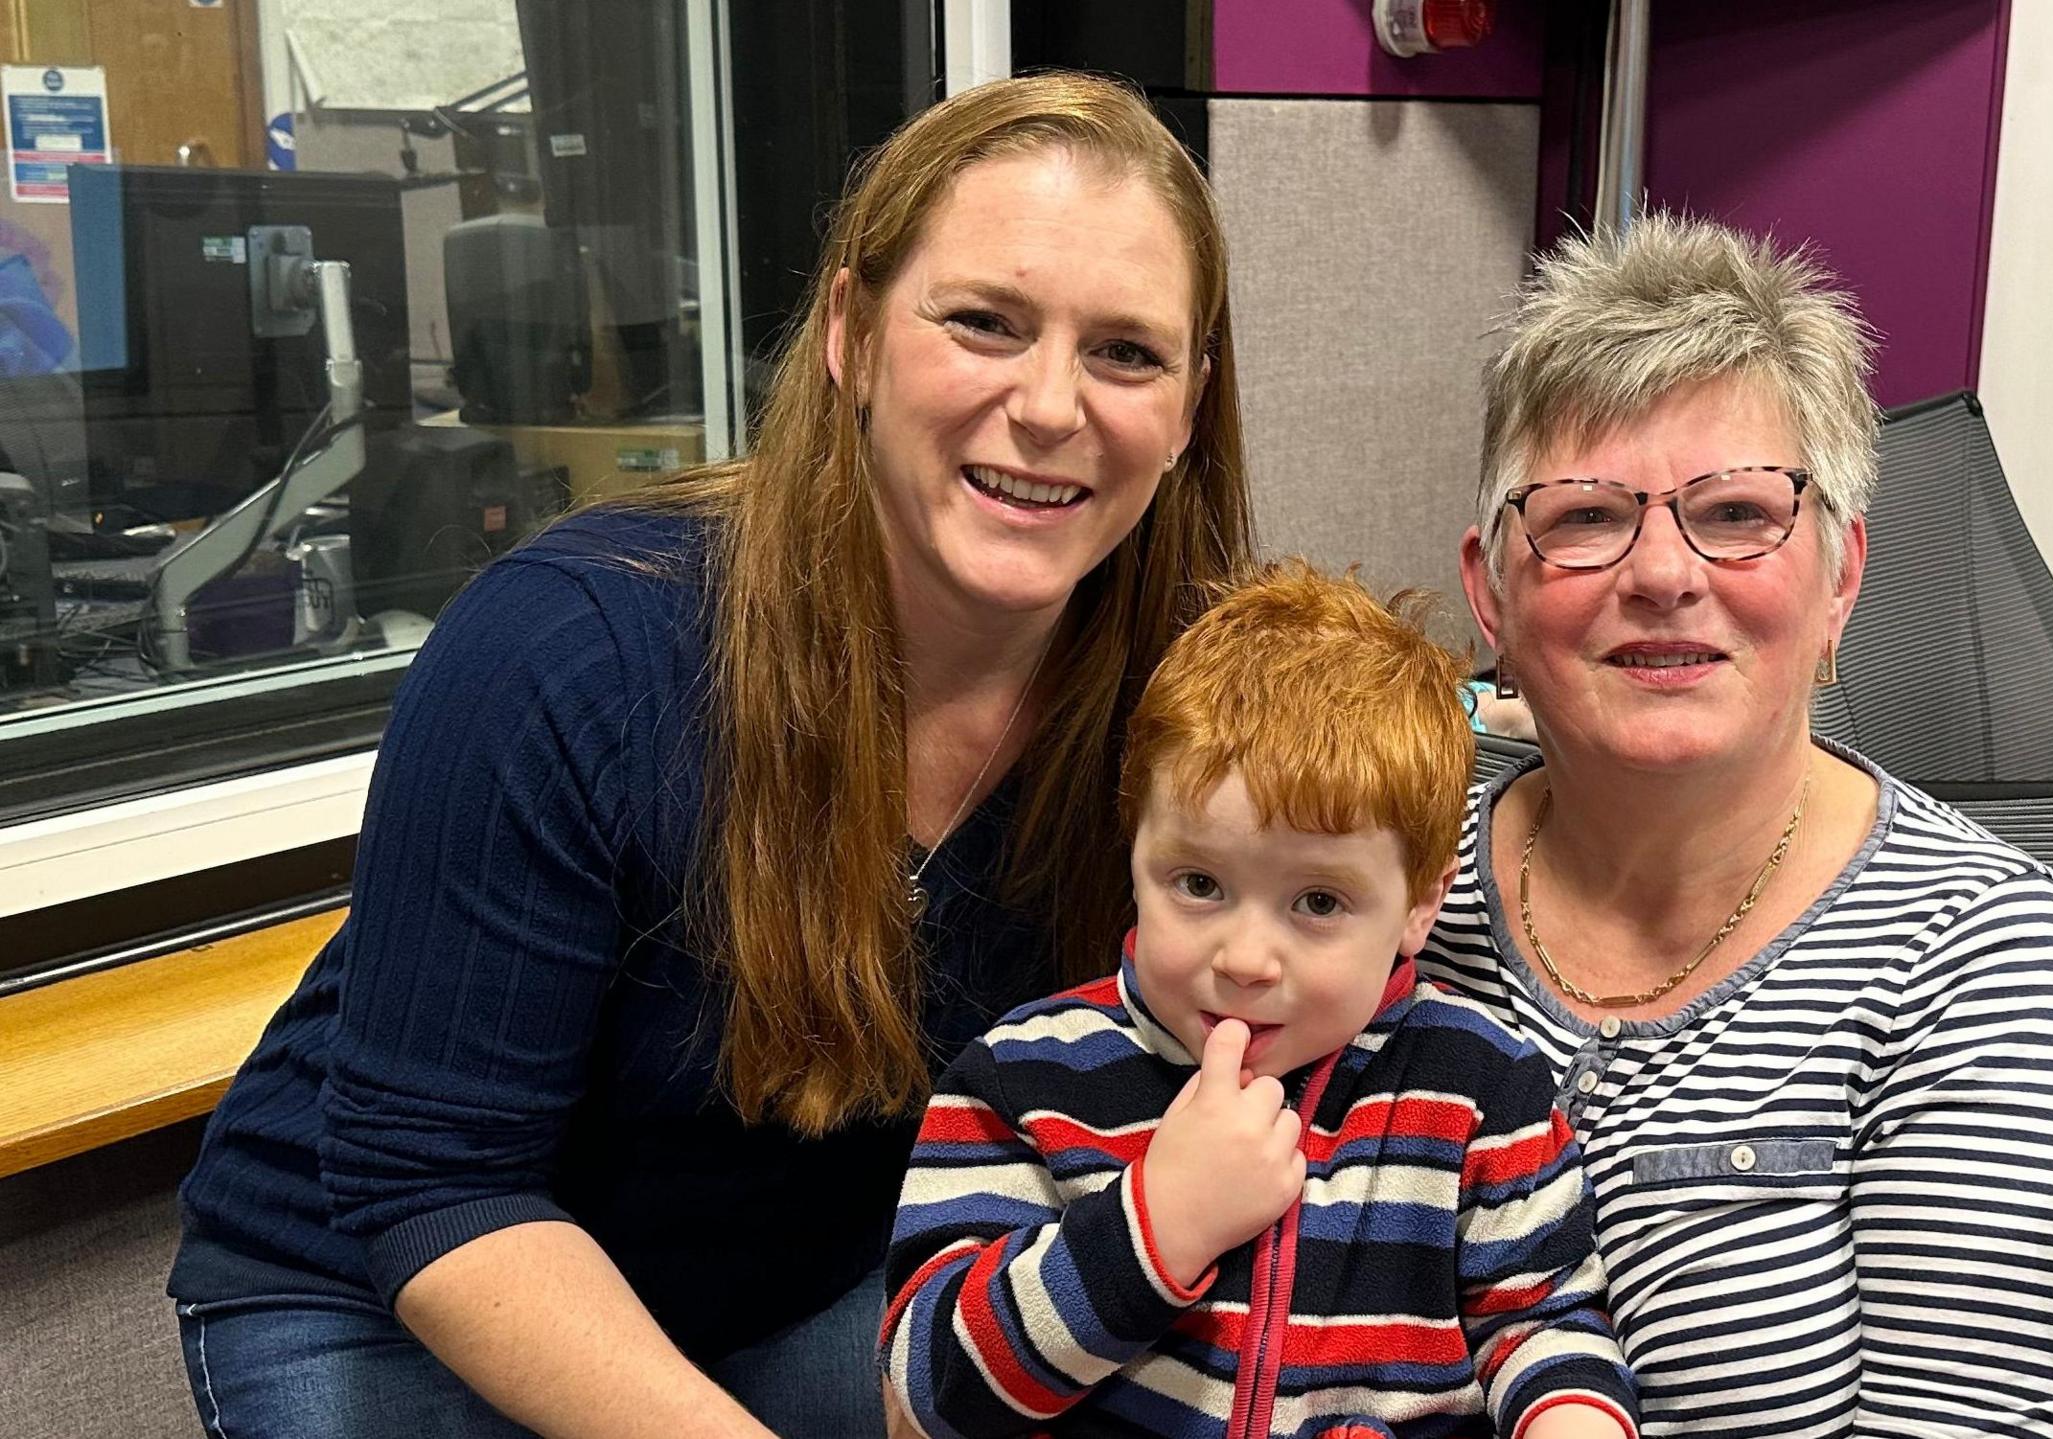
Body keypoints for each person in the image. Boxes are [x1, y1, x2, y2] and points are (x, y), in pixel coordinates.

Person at [166, 72, 1251, 1439]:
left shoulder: (1185, 702)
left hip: (779, 1299)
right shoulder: (570, 647)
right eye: (984, 322)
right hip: (397, 1292)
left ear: (1192, 402)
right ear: (853, 332)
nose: (1050, 406)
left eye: (1126, 353)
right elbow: (430, 1184)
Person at [1426, 215, 2053, 1437]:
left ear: (1840, 579)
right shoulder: (1368, 866)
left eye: (1733, 512)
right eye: (1581, 515)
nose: (1663, 572)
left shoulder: (1979, 959)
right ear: (1489, 591)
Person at [880, 564, 1640, 1439]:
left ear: (1421, 904)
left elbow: (1545, 1325)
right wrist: (1156, 1224)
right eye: (1198, 883)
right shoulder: (1025, 1075)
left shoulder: (1480, 1086)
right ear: (1136, 850)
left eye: (1317, 903)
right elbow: (930, 1391)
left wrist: (1570, 1415)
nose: (1244, 959)